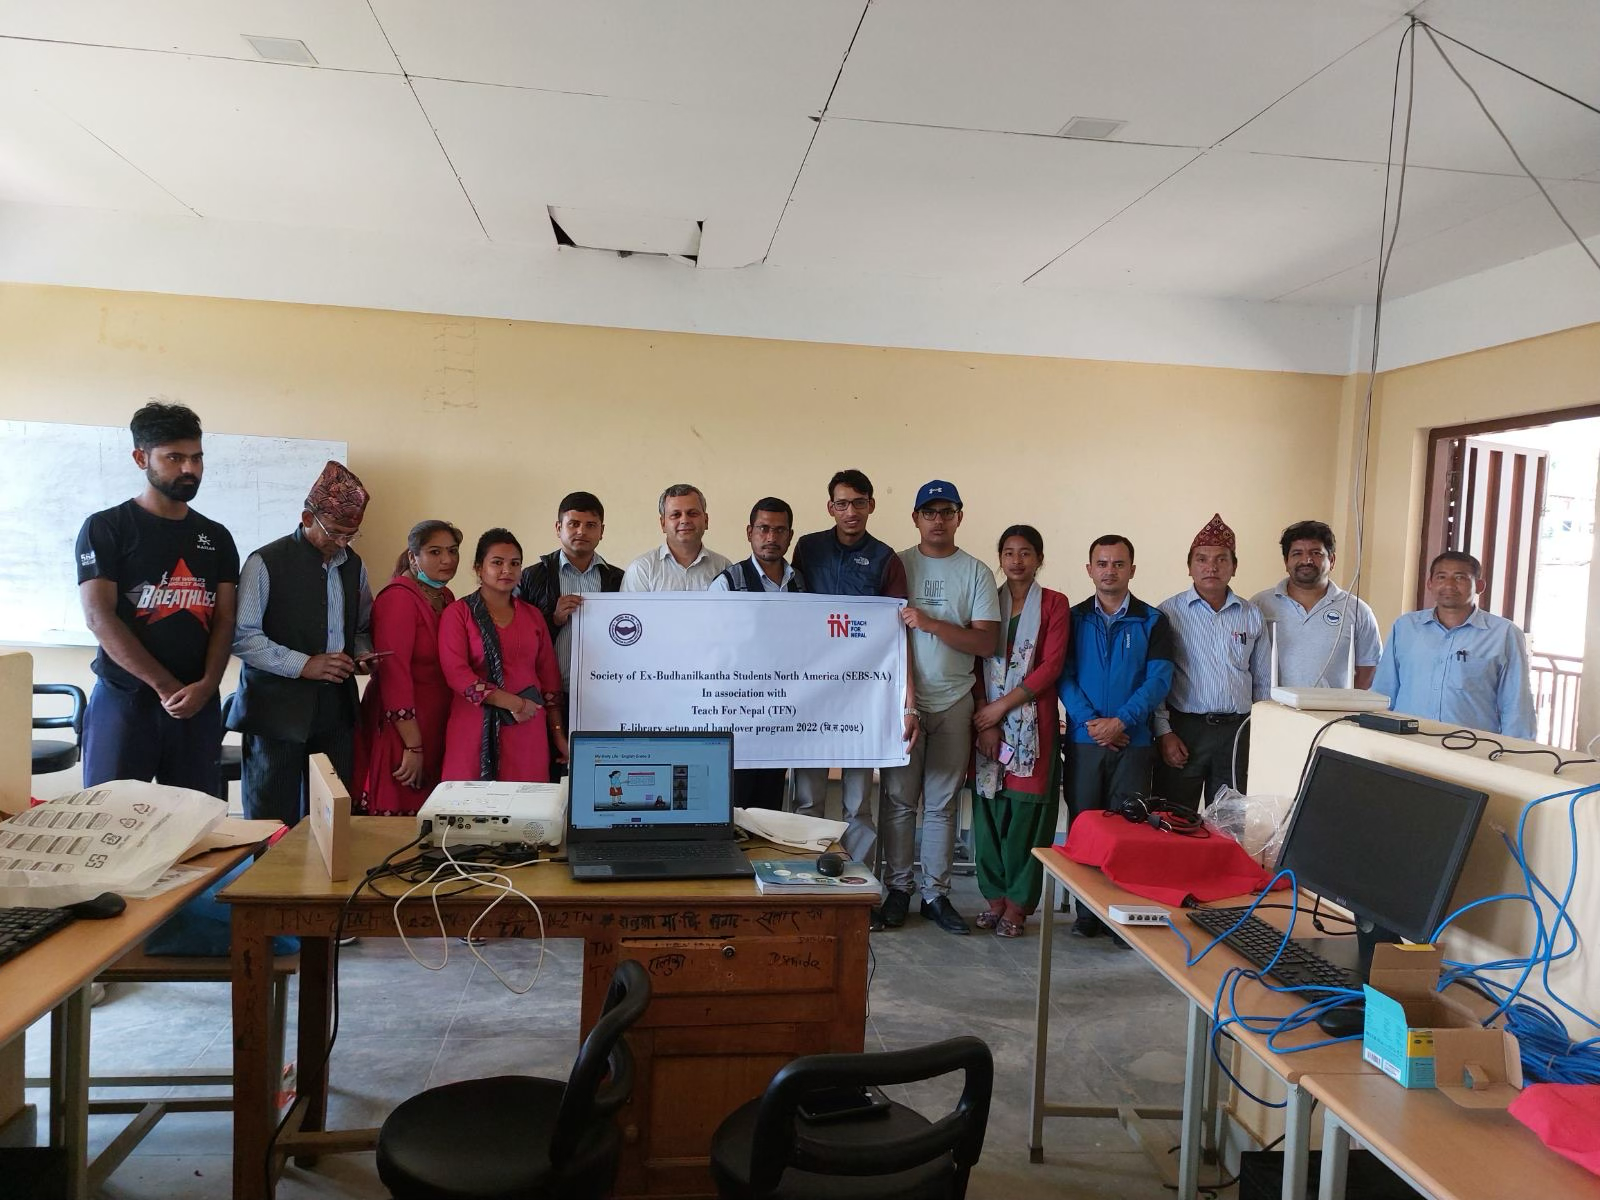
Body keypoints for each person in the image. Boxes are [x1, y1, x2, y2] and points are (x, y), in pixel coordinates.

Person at [75, 402, 239, 792]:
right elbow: (99, 617)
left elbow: (225, 618)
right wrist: (166, 687)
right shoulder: (107, 528)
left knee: (196, 821)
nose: (189, 469)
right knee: (111, 816)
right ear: (141, 458)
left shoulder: (216, 537)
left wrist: (207, 686)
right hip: (126, 702)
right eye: (174, 458)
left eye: (197, 458)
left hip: (196, 705)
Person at [881, 480, 1000, 935]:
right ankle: (898, 889)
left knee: (943, 804)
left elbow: (985, 642)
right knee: (898, 801)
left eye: (946, 512)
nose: (937, 520)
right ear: (915, 518)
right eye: (929, 512)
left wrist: (932, 624)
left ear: (959, 517)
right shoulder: (896, 565)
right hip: (901, 704)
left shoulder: (976, 572)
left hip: (954, 700)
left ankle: (935, 894)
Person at [230, 461, 373, 825]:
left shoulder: (354, 565)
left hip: (335, 709)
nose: (341, 543)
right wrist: (304, 664)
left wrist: (363, 654)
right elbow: (243, 637)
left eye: (351, 535)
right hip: (275, 710)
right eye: (335, 532)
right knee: (270, 818)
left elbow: (360, 628)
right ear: (307, 518)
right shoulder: (265, 561)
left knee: (332, 816)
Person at [790, 469, 911, 861]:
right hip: (812, 690)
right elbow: (792, 611)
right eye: (842, 504)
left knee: (858, 804)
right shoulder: (808, 549)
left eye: (859, 503)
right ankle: (805, 876)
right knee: (807, 799)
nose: (851, 512)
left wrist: (903, 700)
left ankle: (859, 882)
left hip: (863, 694)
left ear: (871, 505)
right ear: (830, 507)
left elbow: (895, 633)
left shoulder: (885, 558)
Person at [1058, 534, 1174, 937]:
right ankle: (1086, 913)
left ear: (1132, 570)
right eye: (1103, 563)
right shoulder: (1072, 619)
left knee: (1127, 828)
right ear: (1089, 570)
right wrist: (1094, 724)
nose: (1110, 571)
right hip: (1084, 741)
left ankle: (1120, 917)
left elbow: (1158, 680)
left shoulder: (1153, 620)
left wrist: (1121, 722)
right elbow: (1064, 676)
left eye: (1119, 564)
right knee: (1085, 825)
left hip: (1134, 743)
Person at [970, 526, 1069, 938]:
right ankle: (994, 900)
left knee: (1027, 818)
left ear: (1039, 558)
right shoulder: (984, 601)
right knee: (989, 815)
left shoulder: (1054, 604)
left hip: (1034, 727)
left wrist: (1000, 708)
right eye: (1009, 552)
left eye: (1025, 553)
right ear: (1000, 557)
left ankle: (1018, 905)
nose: (1016, 561)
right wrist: (986, 715)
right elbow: (974, 662)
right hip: (986, 722)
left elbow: (1051, 665)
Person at [1152, 514, 1271, 812]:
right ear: (1189, 566)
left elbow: (1263, 681)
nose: (1211, 567)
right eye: (1202, 559)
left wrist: (1261, 733)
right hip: (1185, 729)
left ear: (1234, 567)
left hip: (1237, 732)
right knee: (1175, 816)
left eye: (1221, 559)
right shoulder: (1168, 613)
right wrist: (1164, 732)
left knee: (1230, 819)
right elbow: (1157, 681)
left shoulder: (1251, 614)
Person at [439, 529, 566, 782]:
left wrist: (558, 735)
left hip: (527, 729)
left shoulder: (533, 616)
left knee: (528, 802)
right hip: (475, 727)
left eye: (515, 563)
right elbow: (457, 674)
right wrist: (514, 704)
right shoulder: (459, 613)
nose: (507, 570)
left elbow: (550, 682)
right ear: (478, 568)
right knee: (470, 802)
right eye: (497, 562)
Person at [354, 520, 461, 815]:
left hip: (435, 722)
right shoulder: (398, 599)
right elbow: (394, 675)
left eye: (452, 551)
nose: (447, 560)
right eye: (435, 552)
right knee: (397, 821)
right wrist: (413, 746)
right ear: (413, 557)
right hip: (401, 726)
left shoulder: (445, 596)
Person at [708, 498, 807, 810]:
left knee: (769, 809)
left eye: (780, 530)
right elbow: (711, 650)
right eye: (763, 529)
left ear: (790, 536)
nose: (771, 537)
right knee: (735, 808)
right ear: (749, 532)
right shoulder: (727, 584)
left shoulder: (800, 584)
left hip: (782, 715)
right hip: (738, 718)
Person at [1372, 551, 1535, 739]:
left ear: (1479, 586)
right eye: (1441, 577)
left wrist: (1516, 750)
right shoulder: (1405, 627)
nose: (1449, 585)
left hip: (1471, 746)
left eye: (1460, 578)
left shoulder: (1503, 634)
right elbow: (1383, 691)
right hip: (1406, 742)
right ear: (1430, 584)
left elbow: (1517, 703)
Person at [516, 492, 624, 729]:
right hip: (544, 695)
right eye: (573, 524)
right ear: (558, 528)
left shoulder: (618, 579)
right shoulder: (532, 577)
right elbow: (515, 637)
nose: (581, 532)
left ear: (602, 531)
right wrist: (553, 620)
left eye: (591, 525)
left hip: (605, 694)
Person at [1250, 520, 1380, 689]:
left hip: (1332, 707)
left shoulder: (1357, 611)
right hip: (1271, 705)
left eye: (1316, 553)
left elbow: (1368, 669)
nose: (1307, 560)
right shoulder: (1259, 605)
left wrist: (1344, 702)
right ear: (1286, 562)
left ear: (1332, 560)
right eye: (1297, 553)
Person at [621, 484, 730, 591]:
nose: (685, 520)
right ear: (663, 524)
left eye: (692, 513)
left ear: (706, 521)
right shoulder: (642, 570)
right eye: (676, 515)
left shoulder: (724, 568)